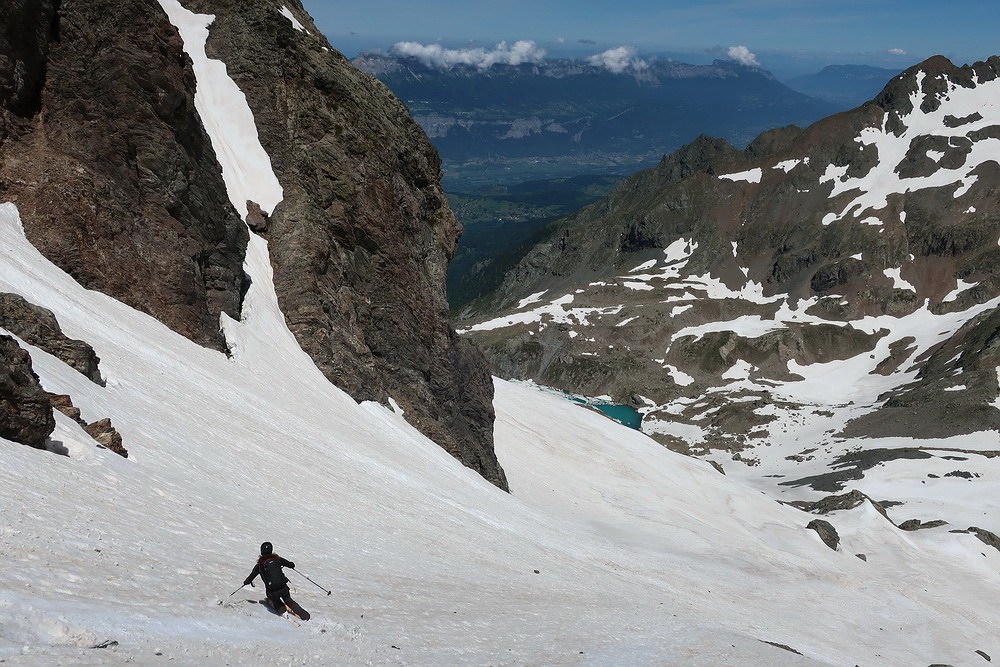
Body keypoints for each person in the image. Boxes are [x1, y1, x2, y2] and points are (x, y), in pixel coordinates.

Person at [244, 541, 311, 621]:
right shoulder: (277, 559)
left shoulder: (259, 565)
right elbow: (291, 564)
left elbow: (250, 578)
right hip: (283, 587)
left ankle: (282, 611)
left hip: (272, 591)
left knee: (275, 600)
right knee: (289, 600)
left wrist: (246, 582)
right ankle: (305, 616)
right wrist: (291, 564)